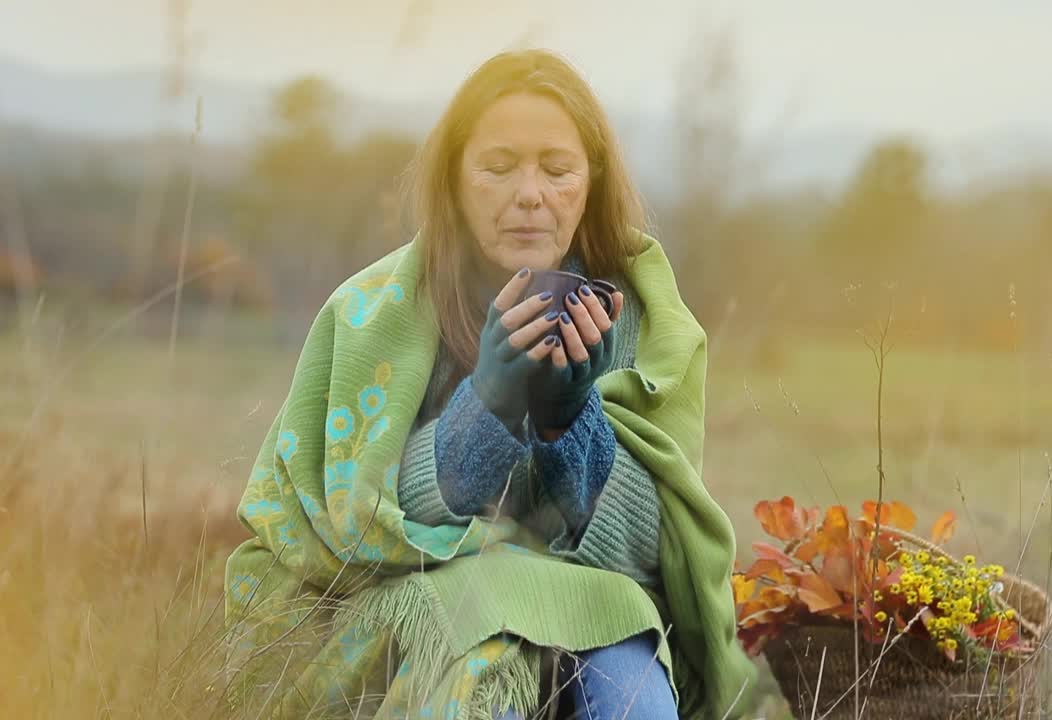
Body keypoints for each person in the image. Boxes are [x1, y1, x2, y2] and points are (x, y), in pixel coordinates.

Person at [223, 49, 757, 719]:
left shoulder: (646, 322)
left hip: (594, 606)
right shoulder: (372, 315)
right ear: (454, 179)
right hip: (418, 609)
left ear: (590, 180)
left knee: (630, 664)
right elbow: (350, 533)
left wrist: (570, 418)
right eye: (498, 168)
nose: (529, 194)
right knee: (479, 647)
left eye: (557, 170)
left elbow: (651, 553)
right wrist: (489, 406)